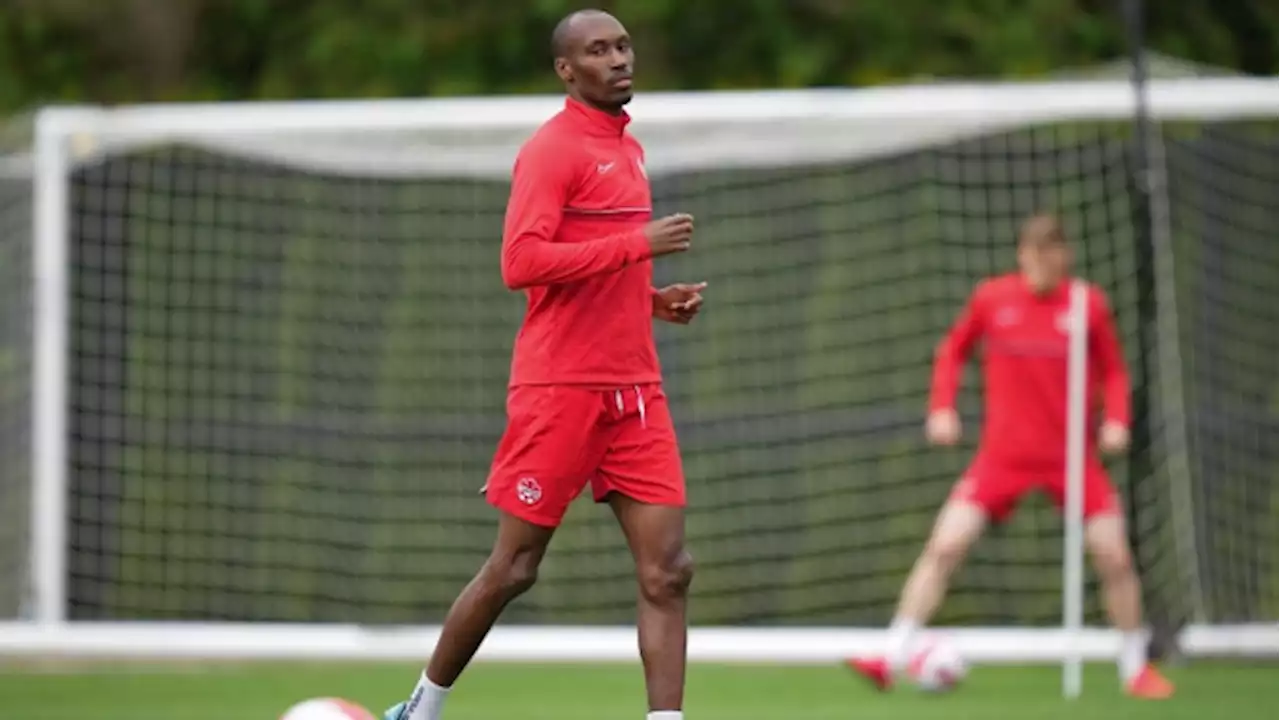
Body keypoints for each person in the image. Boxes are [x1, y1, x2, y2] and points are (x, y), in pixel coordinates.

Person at [383, 9, 704, 720]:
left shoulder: (629, 150)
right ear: (567, 70)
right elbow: (521, 264)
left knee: (669, 571)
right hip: (560, 390)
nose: (619, 59)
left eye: (622, 45)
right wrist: (637, 247)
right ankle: (421, 709)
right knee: (515, 567)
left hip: (636, 392)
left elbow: (596, 269)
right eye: (598, 50)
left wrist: (653, 301)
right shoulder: (552, 150)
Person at [847, 213, 1175, 700]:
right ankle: (892, 654)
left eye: (1049, 252)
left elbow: (1114, 373)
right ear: (1021, 254)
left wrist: (1117, 420)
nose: (1039, 262)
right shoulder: (992, 298)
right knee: (945, 546)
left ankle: (1134, 668)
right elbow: (953, 350)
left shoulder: (1088, 305)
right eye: (1031, 252)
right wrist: (942, 407)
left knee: (1114, 554)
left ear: (1065, 255)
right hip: (1002, 456)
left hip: (1072, 458)